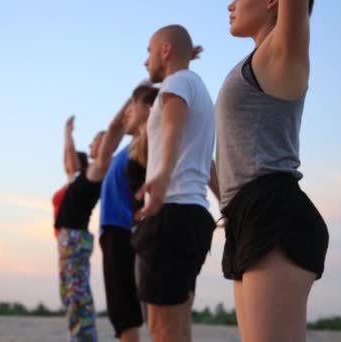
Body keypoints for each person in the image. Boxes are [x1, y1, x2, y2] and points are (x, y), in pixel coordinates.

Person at [214, 1, 329, 341]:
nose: (230, 4)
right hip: (244, 217)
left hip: (274, 213)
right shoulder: (253, 62)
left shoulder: (282, 52)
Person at [132, 25, 216, 342]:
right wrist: (228, 205)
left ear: (165, 50)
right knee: (178, 326)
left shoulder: (177, 83)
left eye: (149, 51)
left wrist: (161, 179)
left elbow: (171, 129)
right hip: (193, 216)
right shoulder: (197, 86)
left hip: (171, 214)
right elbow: (205, 162)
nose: (145, 61)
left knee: (161, 329)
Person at [98, 83, 158, 342]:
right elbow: (114, 130)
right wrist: (134, 98)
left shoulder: (147, 144)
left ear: (147, 109)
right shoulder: (129, 147)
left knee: (125, 312)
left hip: (122, 230)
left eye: (132, 108)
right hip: (114, 231)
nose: (126, 114)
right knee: (122, 312)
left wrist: (143, 94)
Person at [54, 113, 118, 341]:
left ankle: (84, 338)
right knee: (71, 295)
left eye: (94, 140)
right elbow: (69, 159)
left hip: (74, 238)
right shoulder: (85, 174)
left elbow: (106, 146)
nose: (90, 144)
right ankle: (80, 337)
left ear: (102, 145)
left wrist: (68, 132)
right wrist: (67, 133)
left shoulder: (98, 170)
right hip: (70, 239)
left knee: (76, 295)